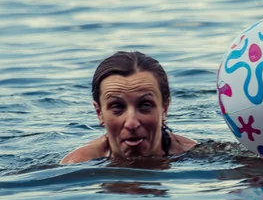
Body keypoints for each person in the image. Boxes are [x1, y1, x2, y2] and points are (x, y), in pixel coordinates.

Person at [61, 51, 196, 164]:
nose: (132, 123)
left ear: (164, 109)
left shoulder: (196, 155)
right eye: (117, 107)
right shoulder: (77, 164)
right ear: (99, 113)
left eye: (145, 105)